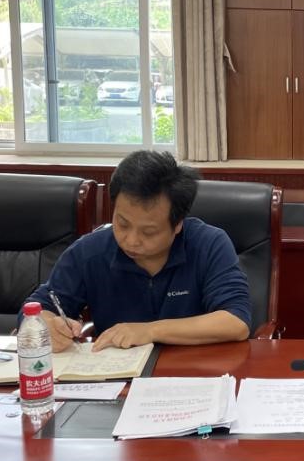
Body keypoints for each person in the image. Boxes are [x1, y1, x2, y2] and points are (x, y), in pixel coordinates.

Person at [26, 150, 251, 352]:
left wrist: (150, 330)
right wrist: (48, 324)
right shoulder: (89, 252)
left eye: (149, 232)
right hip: (116, 375)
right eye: (122, 224)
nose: (131, 240)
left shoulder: (208, 244)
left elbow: (235, 321)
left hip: (192, 370)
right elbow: (38, 307)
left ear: (178, 224)